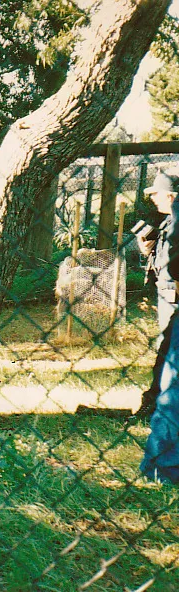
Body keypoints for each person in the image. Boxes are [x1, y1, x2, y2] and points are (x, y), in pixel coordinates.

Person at [140, 171, 179, 482]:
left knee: (171, 363)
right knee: (165, 355)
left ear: (171, 195)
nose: (152, 197)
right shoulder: (165, 221)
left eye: (156, 193)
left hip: (175, 299)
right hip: (166, 294)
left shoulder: (177, 220)